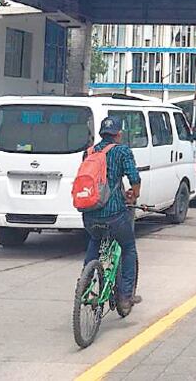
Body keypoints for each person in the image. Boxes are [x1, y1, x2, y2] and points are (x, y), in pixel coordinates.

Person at [81, 117, 142, 314]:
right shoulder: (122, 151)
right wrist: (134, 195)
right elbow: (134, 178)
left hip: (89, 213)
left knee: (95, 240)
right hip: (114, 213)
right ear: (118, 134)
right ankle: (125, 297)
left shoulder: (89, 152)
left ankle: (85, 283)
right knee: (128, 248)